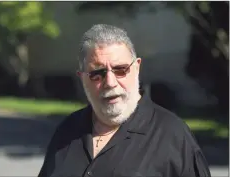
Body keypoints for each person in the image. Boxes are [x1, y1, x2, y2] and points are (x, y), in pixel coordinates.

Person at [38, 24, 212, 177]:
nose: (110, 83)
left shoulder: (173, 135)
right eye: (97, 74)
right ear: (82, 78)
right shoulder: (67, 130)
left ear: (136, 68)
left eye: (120, 69)